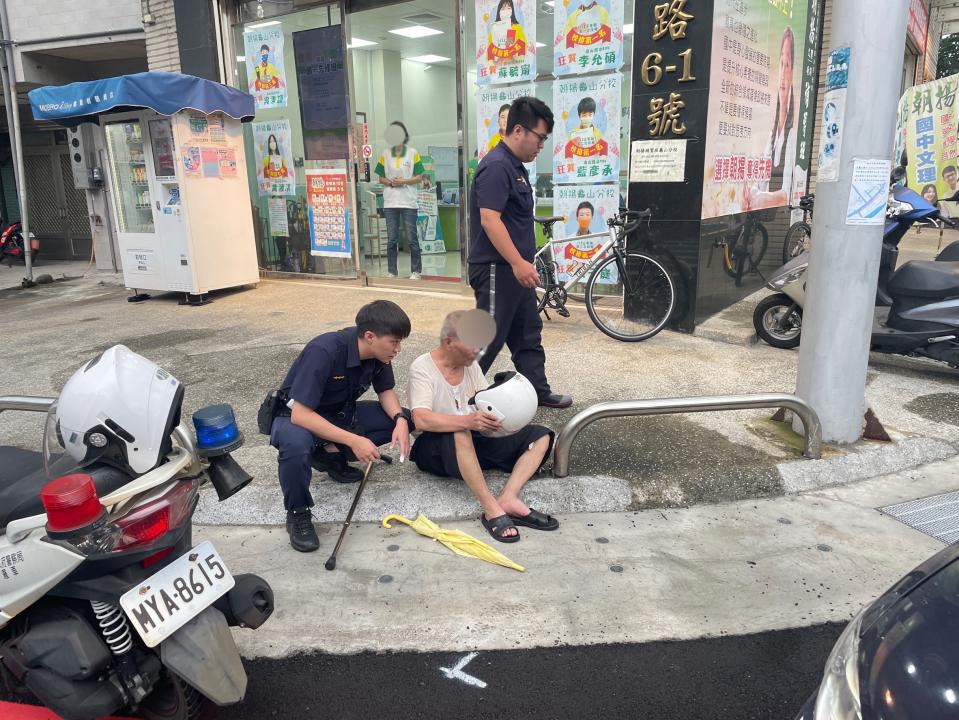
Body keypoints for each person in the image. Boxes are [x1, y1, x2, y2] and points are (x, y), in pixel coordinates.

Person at [270, 300, 413, 552]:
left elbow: (386, 390)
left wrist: (400, 419)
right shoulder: (324, 350)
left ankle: (329, 456)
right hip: (295, 417)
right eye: (394, 341)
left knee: (403, 418)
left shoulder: (379, 354)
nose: (398, 349)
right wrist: (353, 440)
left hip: (337, 414)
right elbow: (301, 415)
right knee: (296, 445)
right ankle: (298, 513)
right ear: (370, 336)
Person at [408, 310, 557, 543]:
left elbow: (485, 406)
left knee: (540, 435)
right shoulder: (422, 367)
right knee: (460, 431)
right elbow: (421, 419)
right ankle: (491, 509)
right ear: (449, 342)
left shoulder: (471, 367)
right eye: (473, 345)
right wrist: (467, 421)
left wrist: (498, 421)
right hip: (434, 448)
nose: (479, 351)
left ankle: (508, 497)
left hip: (472, 442)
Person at [469, 96, 573, 409]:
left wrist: (522, 264)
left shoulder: (515, 167)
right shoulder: (497, 167)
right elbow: (490, 220)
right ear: (518, 130)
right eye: (540, 137)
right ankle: (453, 400)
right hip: (497, 269)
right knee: (486, 338)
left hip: (515, 270)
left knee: (528, 331)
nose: (542, 145)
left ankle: (537, 390)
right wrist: (517, 262)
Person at [745, 27, 797, 211]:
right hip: (762, 217)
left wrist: (762, 198)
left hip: (777, 218)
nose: (782, 74)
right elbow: (760, 178)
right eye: (781, 64)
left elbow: (786, 193)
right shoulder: (772, 134)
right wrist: (752, 192)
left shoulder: (793, 136)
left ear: (793, 73)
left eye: (788, 65)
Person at [374, 121, 424, 280]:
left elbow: (419, 177)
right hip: (390, 202)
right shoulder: (385, 154)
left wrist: (404, 181)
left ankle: (416, 271)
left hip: (408, 202)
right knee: (392, 239)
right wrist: (390, 182)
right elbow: (380, 177)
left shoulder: (413, 152)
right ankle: (392, 271)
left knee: (411, 238)